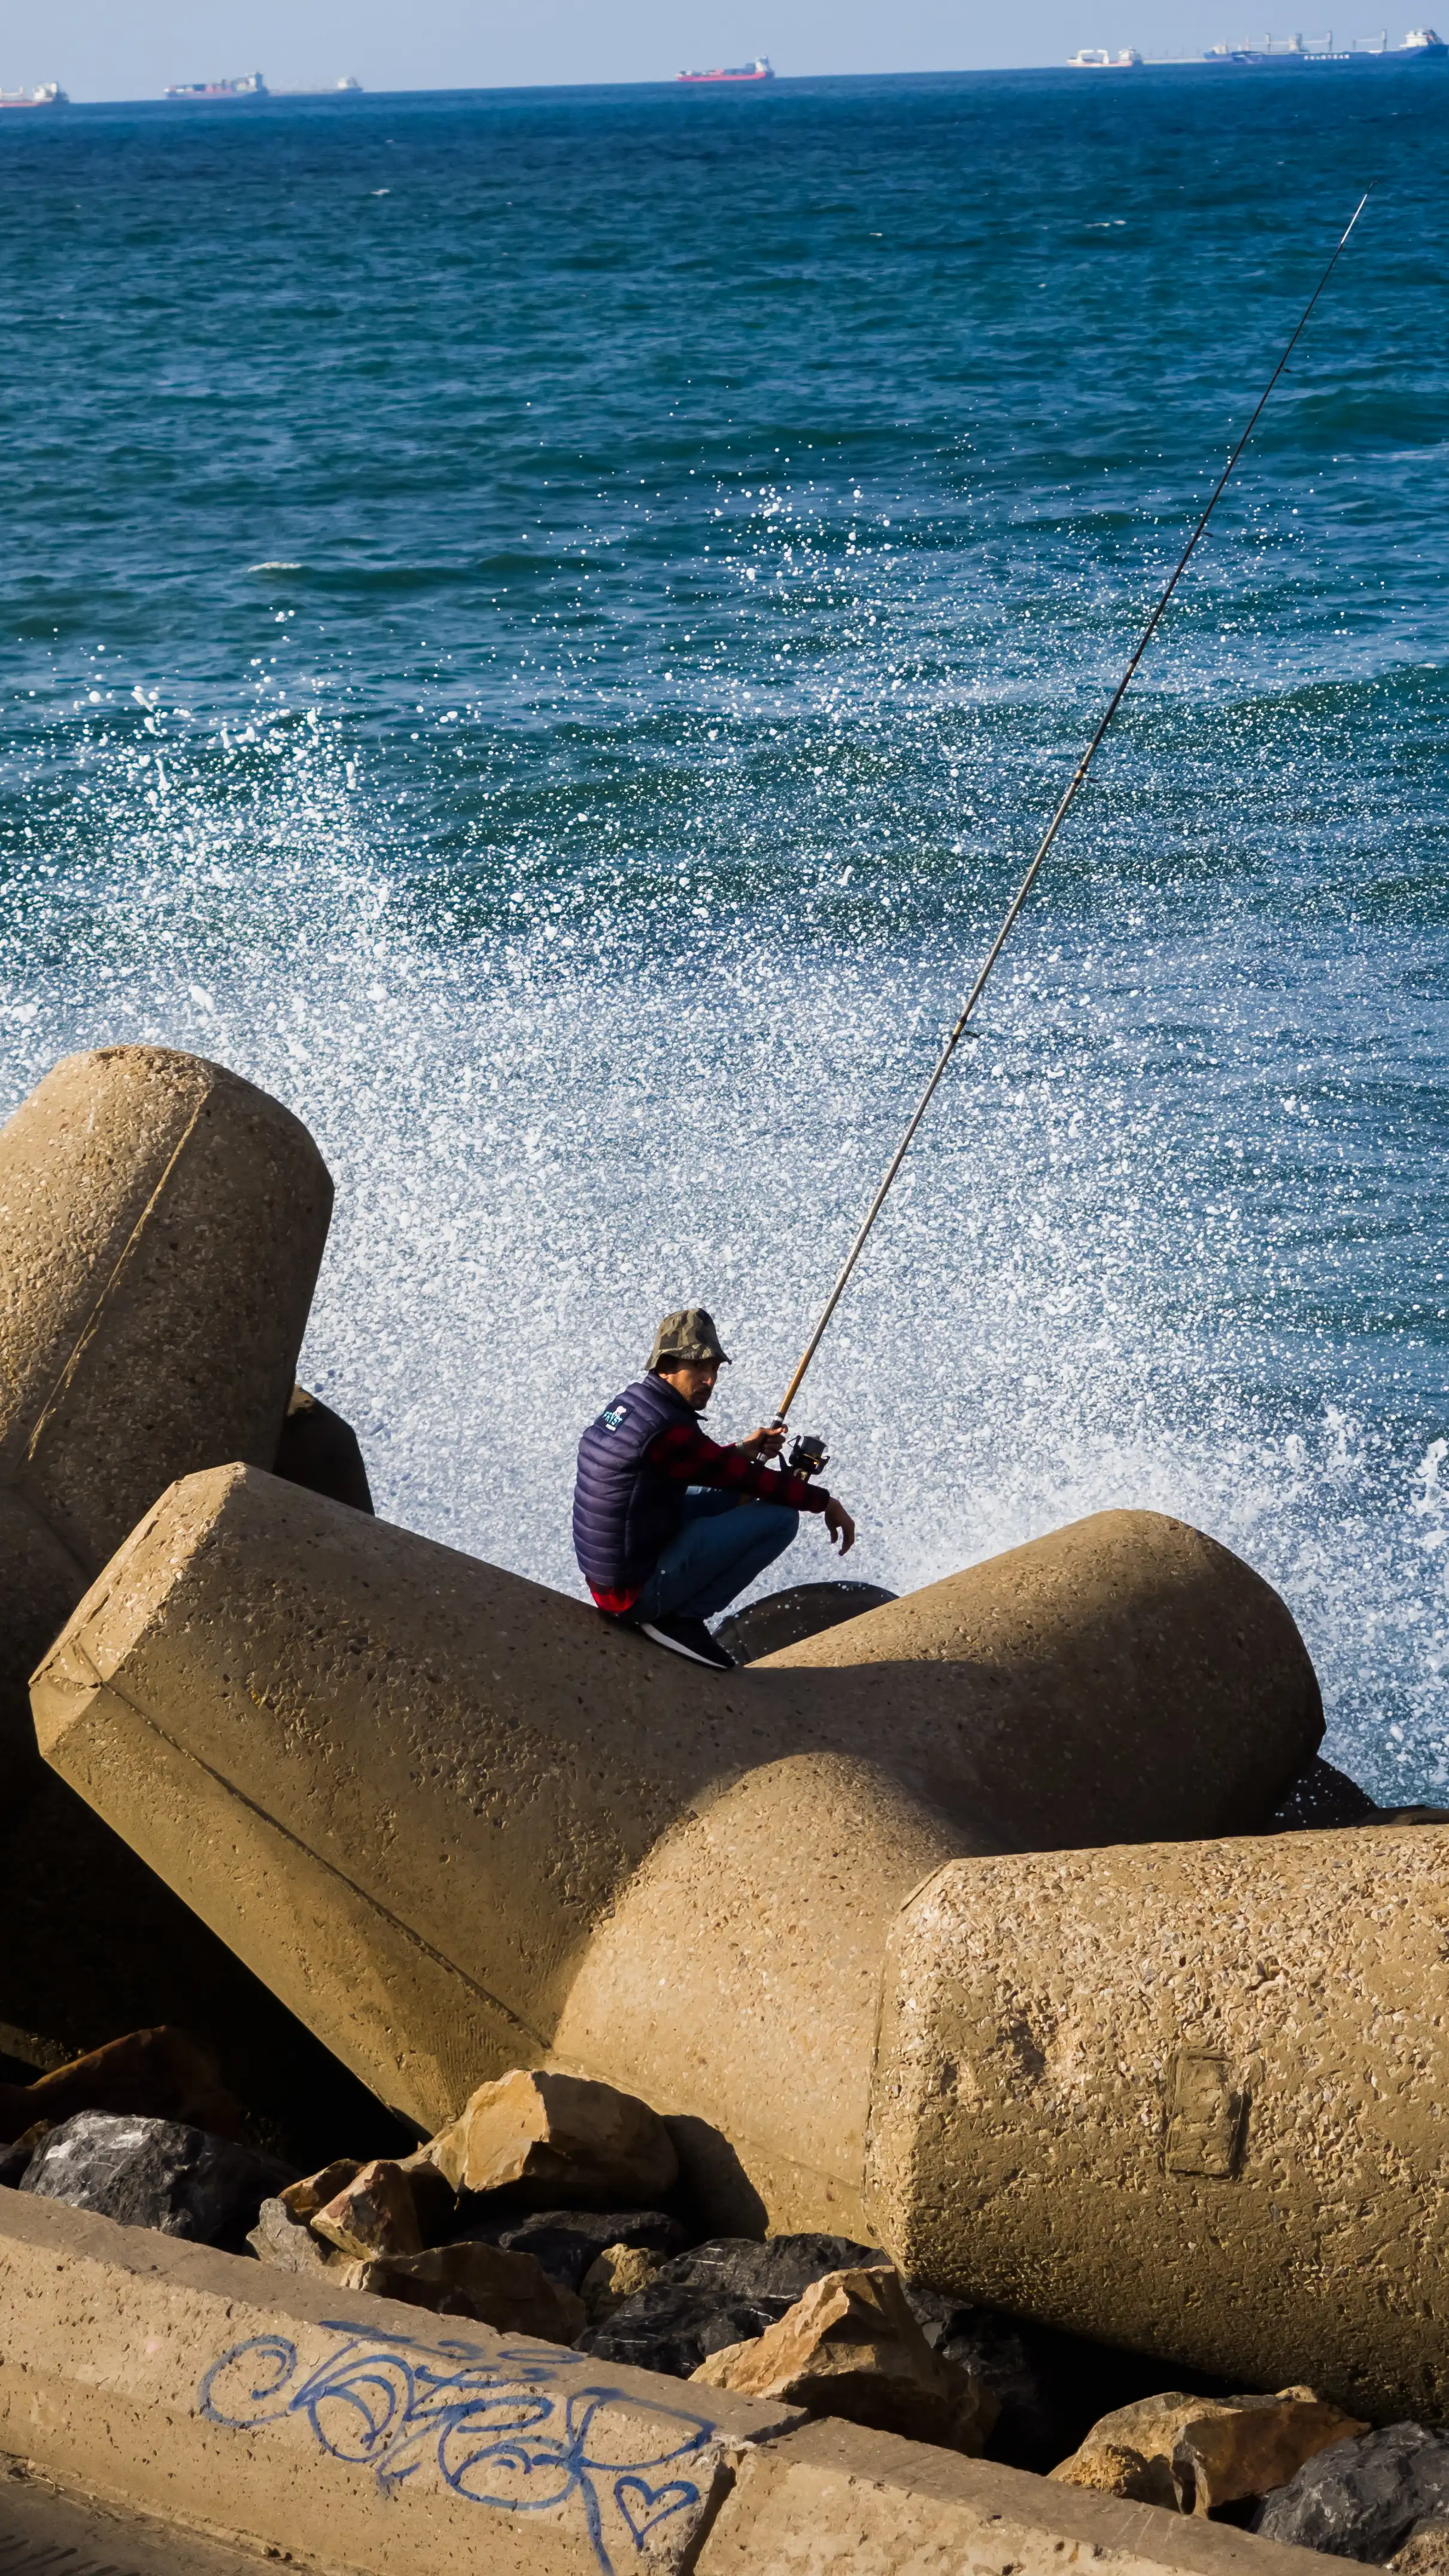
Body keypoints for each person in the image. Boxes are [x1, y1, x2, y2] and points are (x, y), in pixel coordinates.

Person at [573, 1306, 856, 1670]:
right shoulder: (666, 1428)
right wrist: (825, 1502)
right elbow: (744, 1478)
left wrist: (743, 1450)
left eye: (715, 1369)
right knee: (781, 1518)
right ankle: (680, 1620)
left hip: (615, 1571)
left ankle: (673, 1609)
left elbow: (693, 1465)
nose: (709, 1379)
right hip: (632, 1594)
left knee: (729, 1492)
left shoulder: (634, 1403)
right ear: (667, 1365)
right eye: (700, 1367)